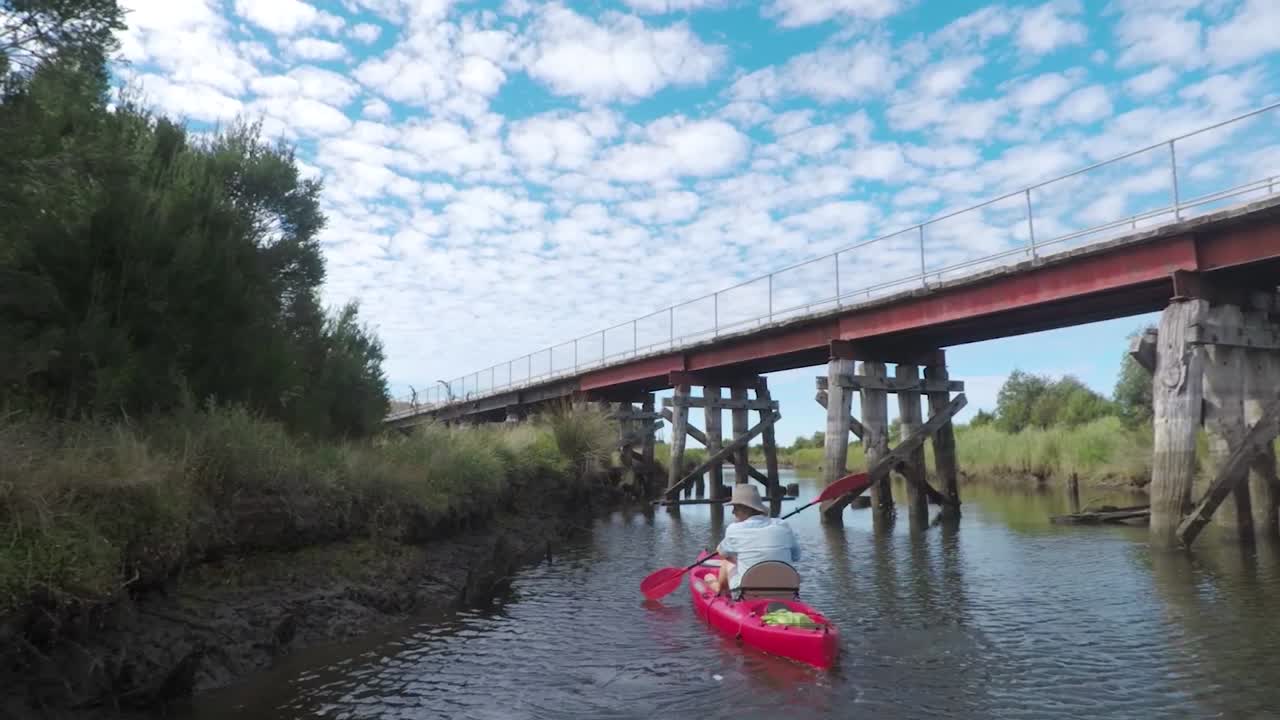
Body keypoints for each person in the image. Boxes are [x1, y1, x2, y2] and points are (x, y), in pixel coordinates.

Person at [707, 484, 801, 597]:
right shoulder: (783, 525)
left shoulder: (734, 529)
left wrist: (736, 558)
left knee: (727, 562)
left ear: (744, 509)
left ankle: (720, 590)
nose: (733, 512)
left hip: (747, 593)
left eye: (735, 508)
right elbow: (796, 557)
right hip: (787, 591)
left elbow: (721, 553)